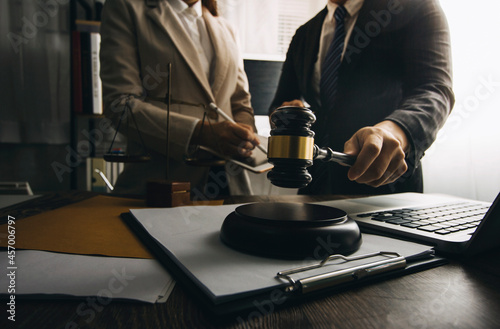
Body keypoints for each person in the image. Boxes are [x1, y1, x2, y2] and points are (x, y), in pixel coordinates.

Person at [270, 0, 454, 195]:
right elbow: (279, 104)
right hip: (315, 185)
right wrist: (288, 113)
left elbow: (434, 90)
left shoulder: (416, 7)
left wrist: (393, 132)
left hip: (383, 187)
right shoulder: (304, 34)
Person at [100, 0, 260, 197]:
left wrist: (244, 135)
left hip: (230, 189)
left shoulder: (227, 28)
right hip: (161, 189)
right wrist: (201, 134)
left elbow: (241, 104)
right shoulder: (127, 8)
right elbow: (120, 105)